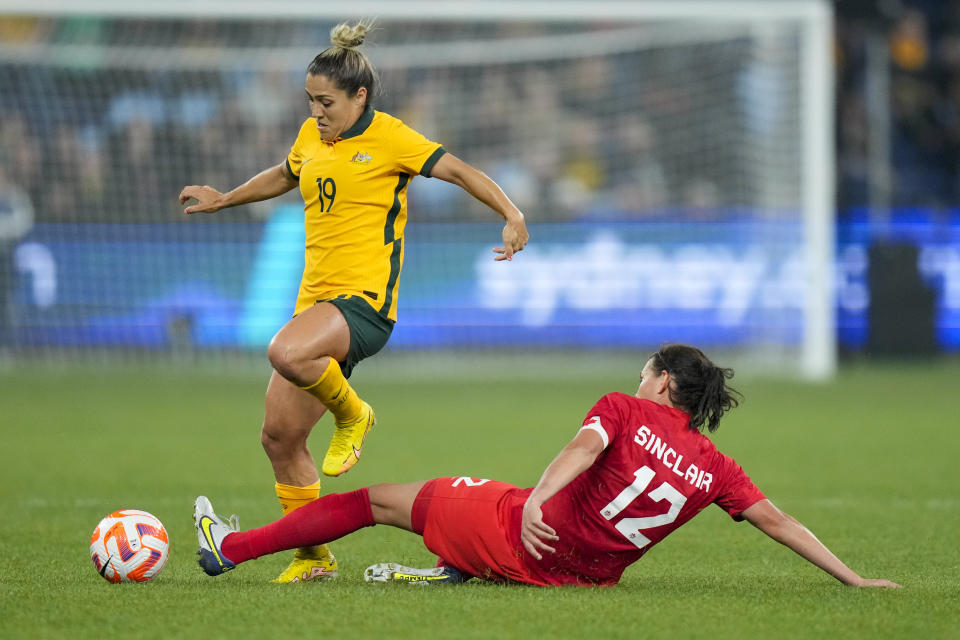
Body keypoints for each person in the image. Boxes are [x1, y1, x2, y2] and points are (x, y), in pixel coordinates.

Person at [178, 21, 529, 584]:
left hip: (365, 304)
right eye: (311, 101)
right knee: (280, 437)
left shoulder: (391, 138)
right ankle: (313, 558)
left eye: (327, 102)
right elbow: (285, 174)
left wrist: (512, 214)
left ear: (359, 96)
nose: (317, 112)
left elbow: (460, 171)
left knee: (285, 352)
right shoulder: (311, 136)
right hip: (316, 305)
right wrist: (225, 199)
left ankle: (354, 413)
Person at [192, 344, 900, 589]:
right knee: (496, 490)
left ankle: (229, 550)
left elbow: (583, 449)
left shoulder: (624, 408)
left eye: (646, 369)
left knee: (377, 500)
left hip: (523, 538)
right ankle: (455, 571)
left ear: (659, 381)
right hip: (585, 576)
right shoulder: (716, 466)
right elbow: (777, 521)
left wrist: (537, 505)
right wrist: (853, 575)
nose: (640, 375)